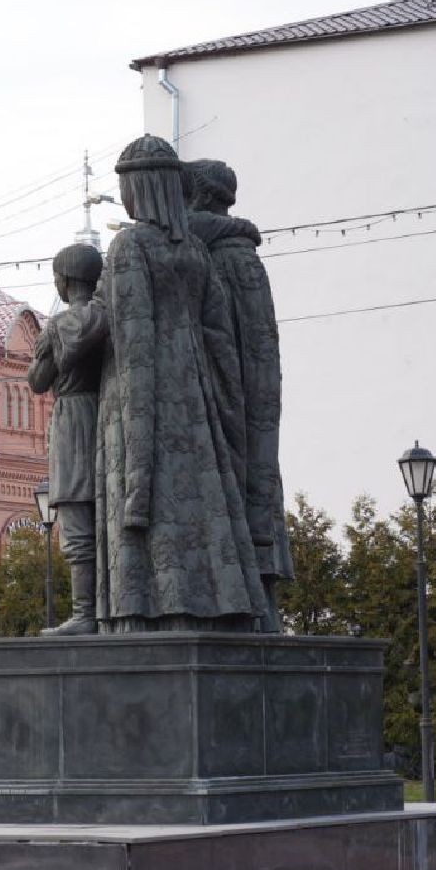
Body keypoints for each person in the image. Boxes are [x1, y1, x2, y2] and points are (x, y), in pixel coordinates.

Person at [93, 134, 266, 632]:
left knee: (156, 510)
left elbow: (133, 342)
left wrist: (137, 477)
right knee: (203, 502)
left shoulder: (128, 247)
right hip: (197, 403)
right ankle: (213, 604)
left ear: (139, 188)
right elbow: (222, 344)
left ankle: (141, 611)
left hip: (137, 403)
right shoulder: (193, 249)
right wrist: (224, 412)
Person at [185, 158, 294, 632]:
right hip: (239, 397)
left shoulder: (223, 254)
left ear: (202, 197)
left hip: (230, 398)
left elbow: (249, 342)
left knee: (243, 492)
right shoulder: (234, 253)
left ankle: (254, 607)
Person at [27, 241, 107, 635]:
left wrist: (47, 347)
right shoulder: (109, 314)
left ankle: (84, 614)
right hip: (106, 416)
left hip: (73, 419)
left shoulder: (59, 324)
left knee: (76, 522)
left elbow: (37, 381)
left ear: (65, 280)